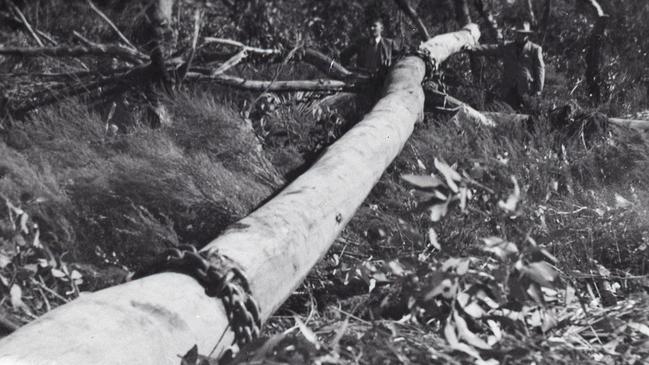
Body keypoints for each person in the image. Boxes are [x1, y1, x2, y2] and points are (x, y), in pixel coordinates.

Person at [467, 21, 545, 111]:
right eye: (519, 34)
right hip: (508, 88)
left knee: (527, 113)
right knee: (507, 112)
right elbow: (491, 49)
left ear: (527, 35)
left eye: (523, 34)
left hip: (526, 89)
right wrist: (472, 49)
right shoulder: (508, 47)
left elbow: (540, 69)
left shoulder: (534, 49)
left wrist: (538, 89)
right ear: (516, 34)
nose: (521, 36)